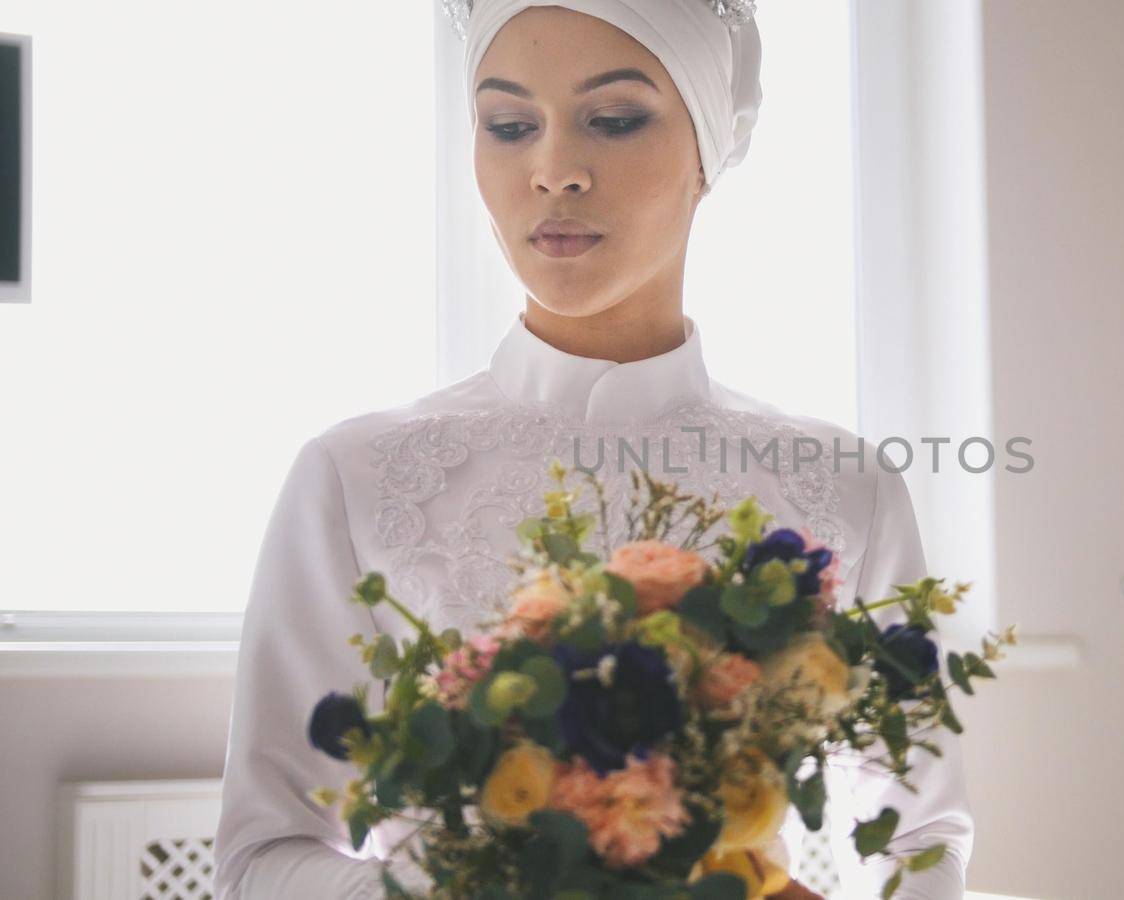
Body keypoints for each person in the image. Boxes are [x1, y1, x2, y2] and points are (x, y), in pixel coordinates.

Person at [212, 1, 975, 897]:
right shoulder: (355, 477)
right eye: (508, 126)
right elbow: (260, 860)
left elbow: (919, 834)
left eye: (613, 120)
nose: (553, 171)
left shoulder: (843, 488)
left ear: (708, 150)